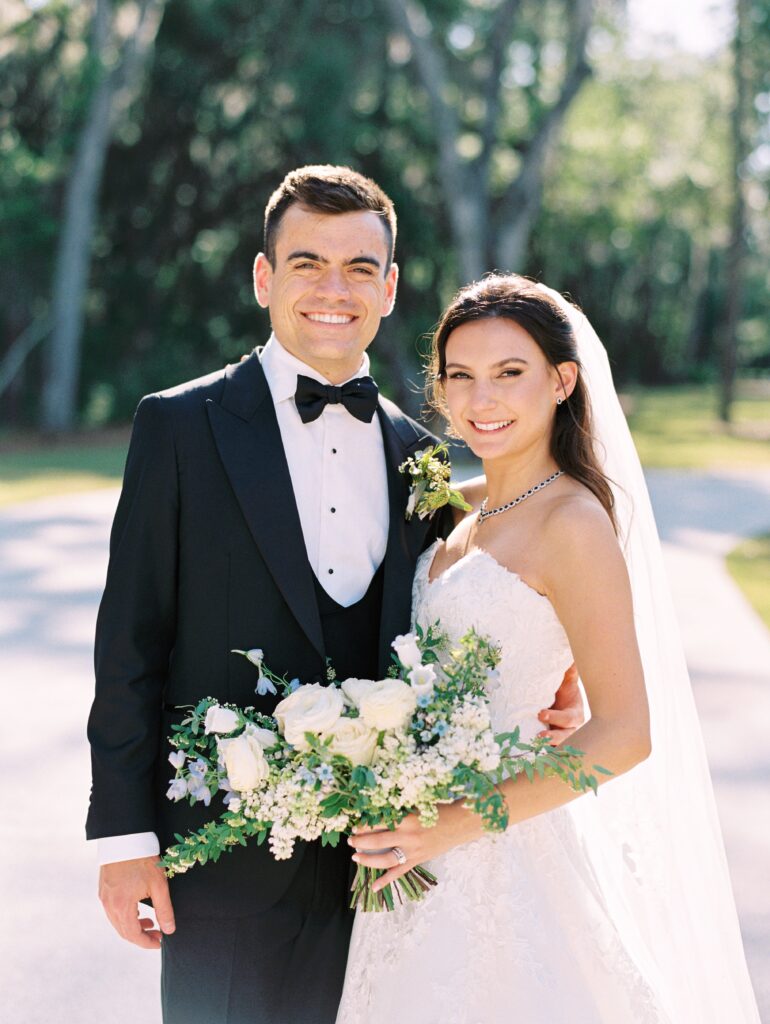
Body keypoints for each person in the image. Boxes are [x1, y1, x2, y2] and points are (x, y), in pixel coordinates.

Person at [85, 167, 583, 1024]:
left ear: (388, 289)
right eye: (307, 262)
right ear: (263, 277)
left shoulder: (421, 456)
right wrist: (125, 839)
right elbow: (130, 643)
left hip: (387, 873)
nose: (333, 289)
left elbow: (473, 591)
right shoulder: (178, 426)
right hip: (223, 862)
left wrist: (552, 681)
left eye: (359, 268)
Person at [340, 274, 760, 1024]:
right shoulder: (460, 506)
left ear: (563, 380)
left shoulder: (572, 522)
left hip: (507, 849)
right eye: (461, 376)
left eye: (510, 373)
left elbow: (626, 734)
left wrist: (455, 823)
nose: (481, 399)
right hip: (415, 853)